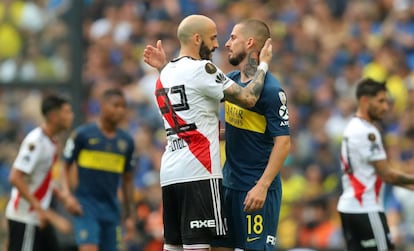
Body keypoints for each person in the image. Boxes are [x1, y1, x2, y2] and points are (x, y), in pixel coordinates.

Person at [143, 14, 273, 251]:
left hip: (170, 175)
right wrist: (263, 63)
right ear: (196, 38)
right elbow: (249, 97)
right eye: (213, 38)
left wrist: (163, 65)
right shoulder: (203, 69)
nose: (216, 44)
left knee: (173, 247)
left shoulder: (165, 73)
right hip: (199, 174)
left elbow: (190, 102)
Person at [211, 19, 291, 251]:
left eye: (233, 37)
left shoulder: (272, 91)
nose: (226, 43)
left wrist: (262, 186)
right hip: (228, 184)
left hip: (255, 190)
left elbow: (283, 142)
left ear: (249, 42)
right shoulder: (234, 82)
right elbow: (247, 127)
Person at [337, 78, 414, 251]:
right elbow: (387, 174)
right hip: (366, 207)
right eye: (380, 101)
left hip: (349, 208)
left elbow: (374, 174)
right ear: (365, 100)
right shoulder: (368, 132)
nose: (385, 107)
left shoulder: (351, 127)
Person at [61, 88, 135, 251]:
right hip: (86, 206)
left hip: (111, 209)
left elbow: (128, 180)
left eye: (123, 106)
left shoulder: (126, 142)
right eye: (115, 105)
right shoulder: (83, 135)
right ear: (102, 106)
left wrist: (130, 215)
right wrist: (67, 194)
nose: (120, 110)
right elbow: (65, 165)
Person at [5, 93, 74, 251]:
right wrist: (39, 209)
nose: (71, 116)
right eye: (67, 112)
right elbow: (15, 178)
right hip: (26, 217)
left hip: (37, 216)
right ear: (53, 116)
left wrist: (62, 196)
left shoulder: (53, 142)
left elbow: (42, 179)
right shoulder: (35, 142)